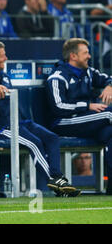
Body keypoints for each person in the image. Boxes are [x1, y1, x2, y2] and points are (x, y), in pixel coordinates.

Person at [0, 40, 79, 196]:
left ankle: (57, 177)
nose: (5, 58)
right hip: (0, 127)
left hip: (18, 122)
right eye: (2, 56)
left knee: (52, 138)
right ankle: (55, 182)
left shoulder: (4, 76)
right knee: (34, 143)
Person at [45, 38, 112, 195]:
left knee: (110, 134)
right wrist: (87, 106)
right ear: (73, 56)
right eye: (85, 53)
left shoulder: (88, 71)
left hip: (86, 121)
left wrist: (109, 86)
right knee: (109, 113)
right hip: (62, 122)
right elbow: (58, 107)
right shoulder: (57, 77)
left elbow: (107, 77)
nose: (89, 56)